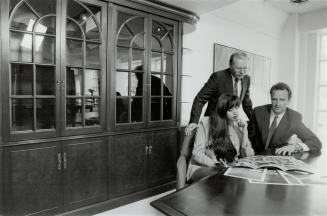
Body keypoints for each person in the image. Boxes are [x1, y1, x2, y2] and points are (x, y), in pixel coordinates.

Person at [186, 94, 255, 182]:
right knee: (224, 178)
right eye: (230, 109)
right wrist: (215, 164)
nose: (235, 112)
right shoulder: (206, 123)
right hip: (203, 168)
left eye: (237, 107)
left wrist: (245, 131)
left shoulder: (238, 128)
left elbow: (249, 156)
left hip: (227, 170)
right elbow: (197, 153)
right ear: (223, 110)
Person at [185, 52, 253, 136]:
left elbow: (247, 104)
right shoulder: (218, 77)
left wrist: (254, 121)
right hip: (214, 124)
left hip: (231, 125)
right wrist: (193, 122)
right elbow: (200, 99)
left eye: (245, 68)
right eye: (238, 68)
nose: (242, 72)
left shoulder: (246, 79)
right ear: (230, 65)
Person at [251, 82, 322, 155]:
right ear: (271, 98)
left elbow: (316, 142)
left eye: (282, 100)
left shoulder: (294, 118)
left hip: (277, 159)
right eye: (274, 99)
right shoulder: (258, 112)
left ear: (288, 100)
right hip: (254, 157)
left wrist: (295, 147)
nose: (277, 104)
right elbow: (249, 137)